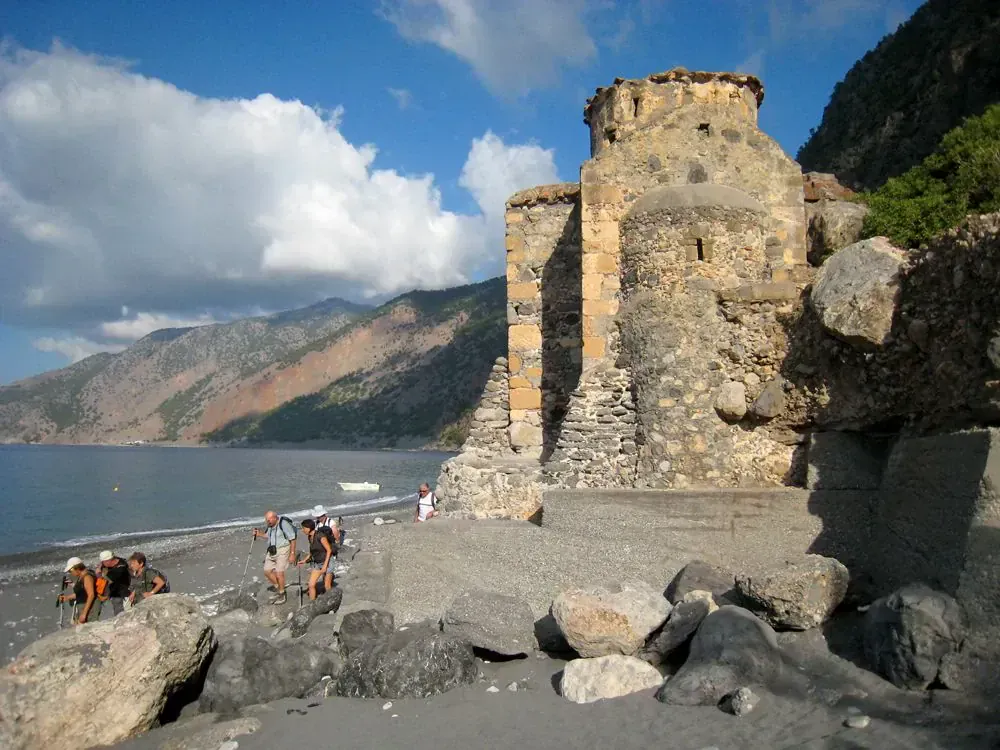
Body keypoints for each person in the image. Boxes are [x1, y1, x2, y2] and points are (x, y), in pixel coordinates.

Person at [253, 510, 297, 605]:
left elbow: (292, 538)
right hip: (272, 550)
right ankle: (279, 587)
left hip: (283, 549)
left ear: (275, 517)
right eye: (266, 520)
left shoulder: (283, 524)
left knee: (279, 573)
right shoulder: (270, 526)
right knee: (267, 571)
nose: (267, 522)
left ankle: (282, 594)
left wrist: (292, 553)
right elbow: (267, 536)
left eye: (269, 520)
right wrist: (259, 534)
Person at [298, 519, 335, 600]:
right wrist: (305, 560)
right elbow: (312, 551)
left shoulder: (320, 536)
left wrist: (325, 566)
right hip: (317, 563)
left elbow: (329, 550)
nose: (302, 530)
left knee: (327, 586)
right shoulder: (310, 537)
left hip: (327, 562)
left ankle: (332, 601)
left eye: (303, 528)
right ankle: (313, 604)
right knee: (311, 585)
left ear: (308, 528)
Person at [59, 557, 101, 624]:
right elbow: (82, 593)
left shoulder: (87, 577)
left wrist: (84, 614)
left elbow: (91, 595)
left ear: (77, 568)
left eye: (70, 570)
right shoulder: (81, 577)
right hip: (83, 607)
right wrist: (67, 597)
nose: (70, 573)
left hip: (90, 608)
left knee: (89, 629)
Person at [98, 550, 131, 616]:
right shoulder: (118, 560)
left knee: (120, 614)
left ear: (108, 561)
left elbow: (106, 580)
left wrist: (99, 572)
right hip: (116, 593)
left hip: (121, 595)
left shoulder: (120, 569)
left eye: (103, 562)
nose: (102, 564)